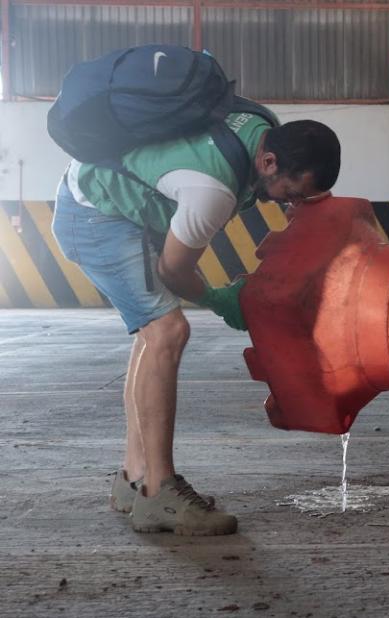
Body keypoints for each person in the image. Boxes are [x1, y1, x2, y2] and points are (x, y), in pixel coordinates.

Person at [52, 112, 341, 534]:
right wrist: (220, 299)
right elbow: (174, 270)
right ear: (270, 163)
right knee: (169, 331)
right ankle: (160, 493)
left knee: (153, 333)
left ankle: (134, 477)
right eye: (290, 192)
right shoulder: (214, 188)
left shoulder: (260, 125)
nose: (289, 203)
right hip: (94, 215)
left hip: (106, 198)